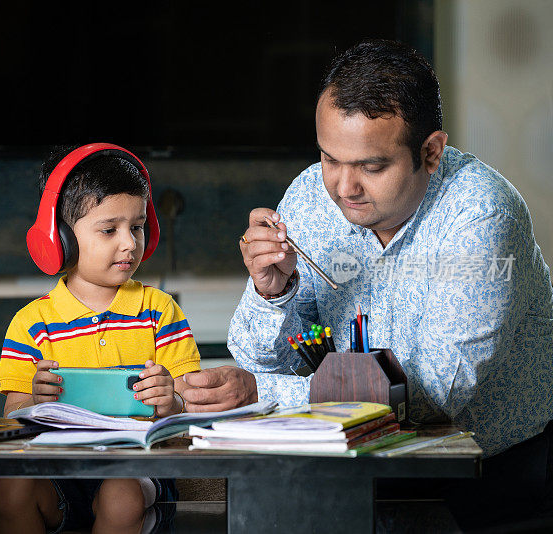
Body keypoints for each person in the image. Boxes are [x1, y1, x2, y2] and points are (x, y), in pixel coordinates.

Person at [181, 39, 553, 527]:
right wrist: (273, 294)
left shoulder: (481, 215)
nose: (342, 187)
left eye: (371, 167)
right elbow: (266, 359)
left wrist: (263, 394)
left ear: (432, 151)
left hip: (493, 477)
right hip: (346, 465)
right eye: (329, 158)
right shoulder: (311, 198)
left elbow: (432, 396)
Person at [0, 145, 201, 534]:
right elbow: (12, 414)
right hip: (59, 477)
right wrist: (34, 399)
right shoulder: (31, 323)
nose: (130, 243)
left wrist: (171, 399)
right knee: (8, 486)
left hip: (138, 475)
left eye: (137, 227)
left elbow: (188, 408)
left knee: (121, 494)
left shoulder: (160, 311)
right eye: (109, 230)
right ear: (60, 238)